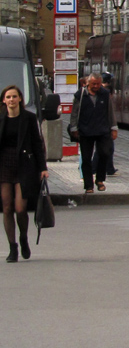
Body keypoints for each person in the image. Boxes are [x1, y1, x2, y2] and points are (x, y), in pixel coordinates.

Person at [0, 85, 48, 262]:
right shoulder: (1, 117)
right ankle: (12, 248)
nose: (11, 100)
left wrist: (43, 168)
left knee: (20, 208)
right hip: (4, 165)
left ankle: (23, 238)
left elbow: (37, 143)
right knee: (6, 207)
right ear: (4, 100)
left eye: (14, 97)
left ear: (20, 98)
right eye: (8, 97)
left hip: (24, 165)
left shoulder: (28, 118)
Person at [69, 73, 118, 194]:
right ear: (88, 83)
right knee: (86, 158)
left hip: (102, 130)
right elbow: (74, 112)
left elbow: (110, 111)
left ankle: (100, 180)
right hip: (85, 130)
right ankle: (88, 185)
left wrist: (114, 128)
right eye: (93, 84)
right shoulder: (80, 95)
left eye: (98, 84)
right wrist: (74, 128)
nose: (96, 86)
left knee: (104, 153)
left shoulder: (105, 94)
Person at [92, 72, 117, 177]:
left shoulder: (101, 92)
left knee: (106, 148)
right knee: (105, 148)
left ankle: (108, 168)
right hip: (103, 127)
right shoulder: (105, 92)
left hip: (102, 126)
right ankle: (97, 169)